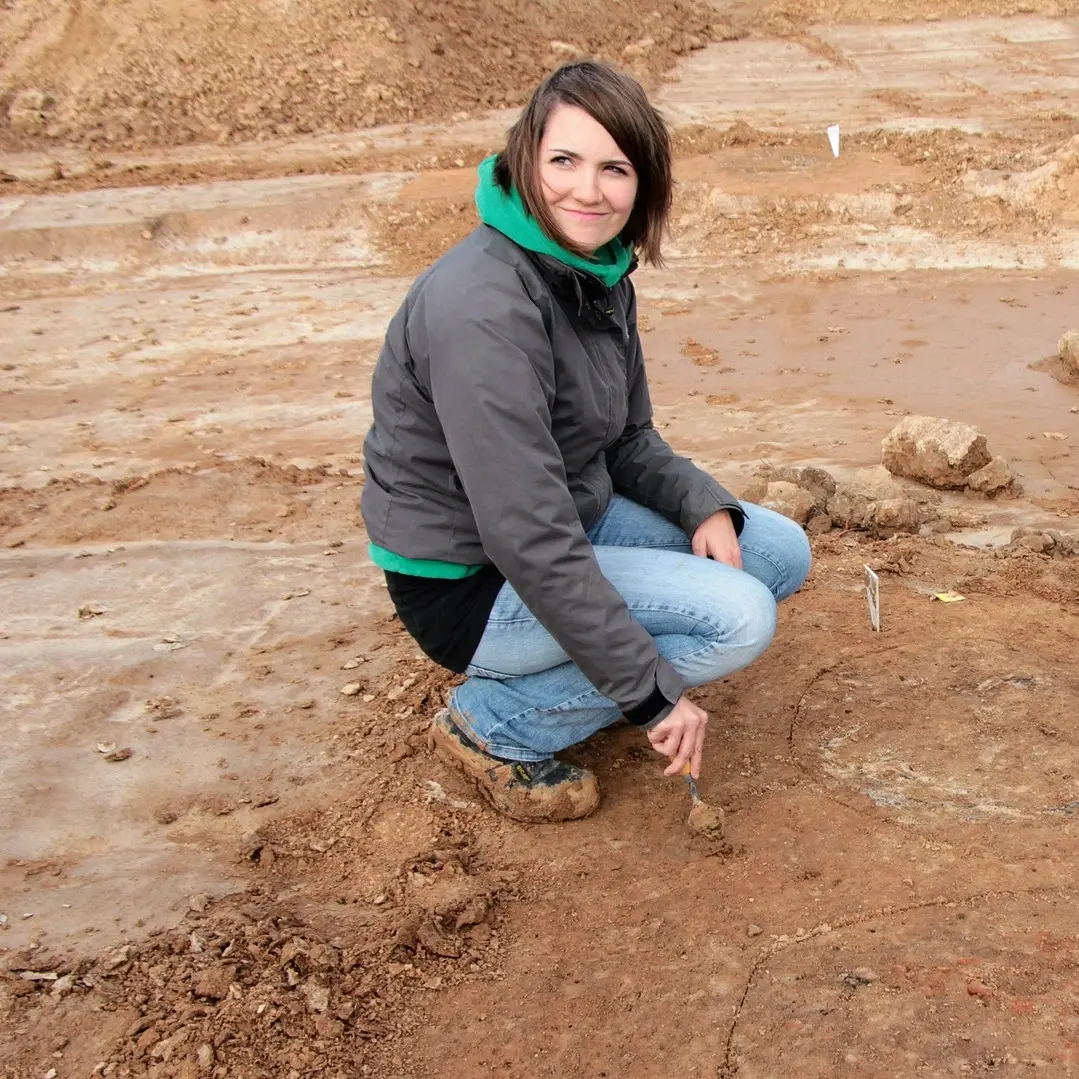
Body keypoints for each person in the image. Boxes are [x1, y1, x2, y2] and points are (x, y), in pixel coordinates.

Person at [362, 61, 810, 824]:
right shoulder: (482, 310)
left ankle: (569, 671)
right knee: (738, 617)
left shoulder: (594, 271)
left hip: (563, 515)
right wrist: (649, 693)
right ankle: (493, 723)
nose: (587, 191)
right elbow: (526, 536)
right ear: (524, 159)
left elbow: (627, 436)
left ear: (644, 185)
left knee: (775, 552)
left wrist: (699, 504)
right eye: (563, 161)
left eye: (615, 169)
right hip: (473, 581)